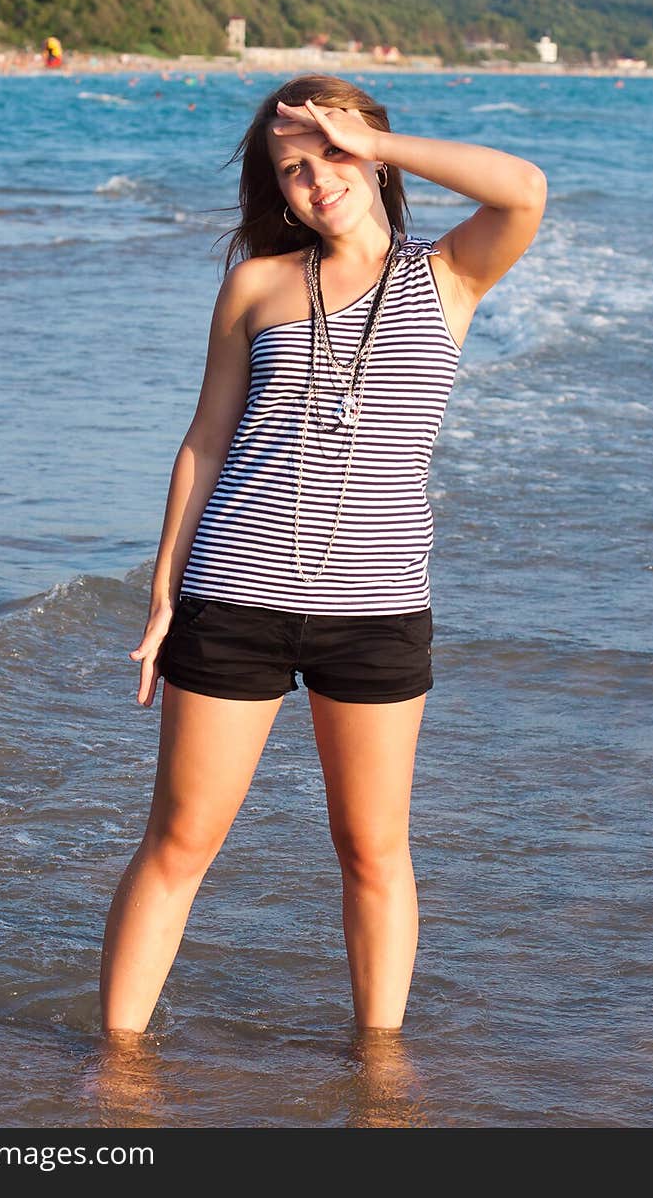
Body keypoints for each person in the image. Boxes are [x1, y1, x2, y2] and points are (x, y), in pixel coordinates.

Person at [99, 73, 547, 1036]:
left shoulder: (450, 274)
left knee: (373, 850)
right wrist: (164, 595)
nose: (315, 180)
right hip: (235, 594)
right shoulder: (257, 284)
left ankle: (378, 1065)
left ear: (374, 154)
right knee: (179, 841)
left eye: (332, 154)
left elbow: (523, 189)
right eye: (292, 168)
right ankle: (117, 1066)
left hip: (377, 612)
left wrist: (371, 143)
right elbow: (205, 443)